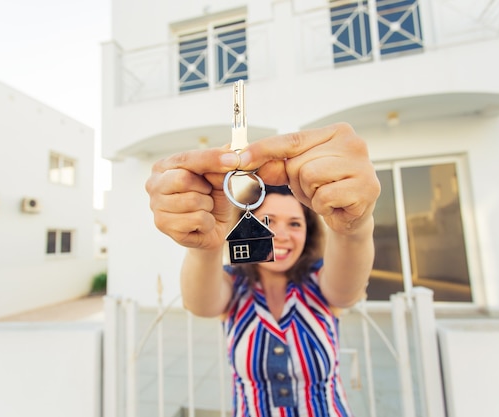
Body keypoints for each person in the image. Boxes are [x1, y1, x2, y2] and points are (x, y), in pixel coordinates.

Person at [146, 122, 380, 416]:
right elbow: (200, 303)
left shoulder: (320, 281)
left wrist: (354, 226)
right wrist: (204, 244)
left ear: (308, 232)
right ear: (249, 226)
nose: (281, 234)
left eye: (294, 223)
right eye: (268, 221)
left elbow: (346, 287)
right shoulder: (234, 287)